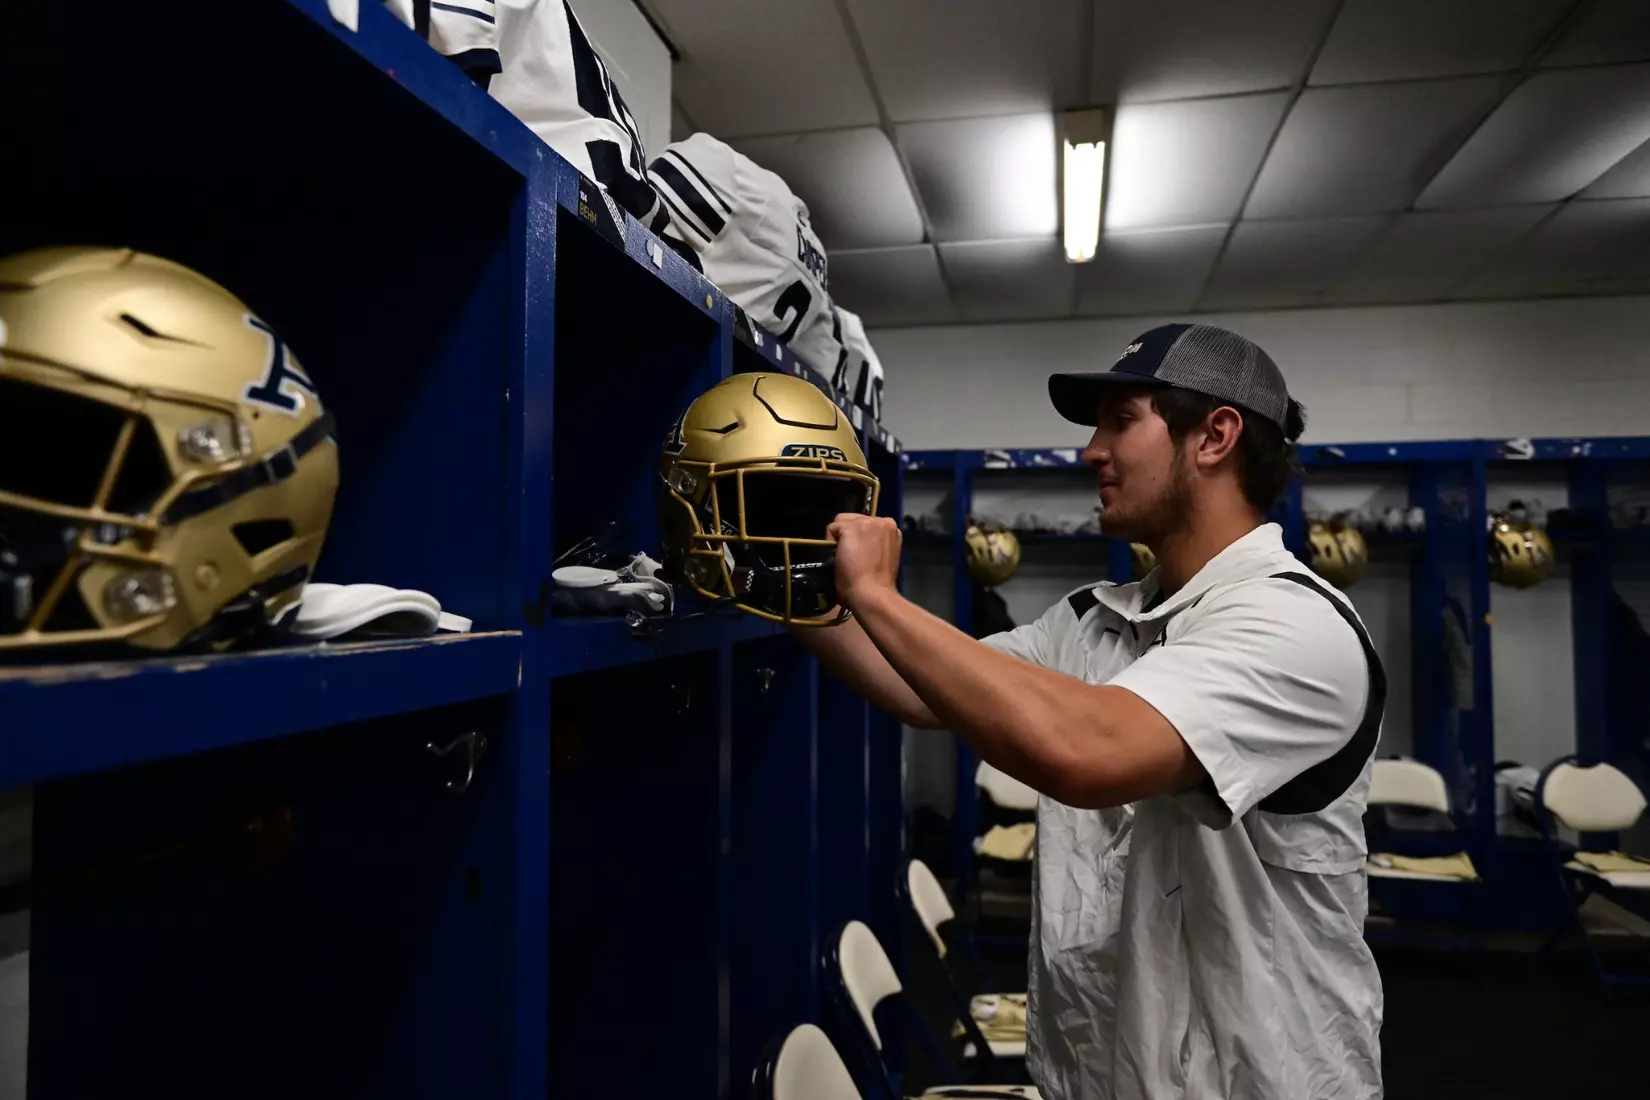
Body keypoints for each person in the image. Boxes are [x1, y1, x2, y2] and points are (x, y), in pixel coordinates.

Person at [795, 323, 1386, 1100]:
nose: (1090, 452)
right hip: (1093, 1076)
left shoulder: (1296, 626)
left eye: (1120, 422)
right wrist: (781, 582)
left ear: (1215, 436)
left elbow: (1085, 751)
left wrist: (874, 593)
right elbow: (916, 685)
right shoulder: (1091, 621)